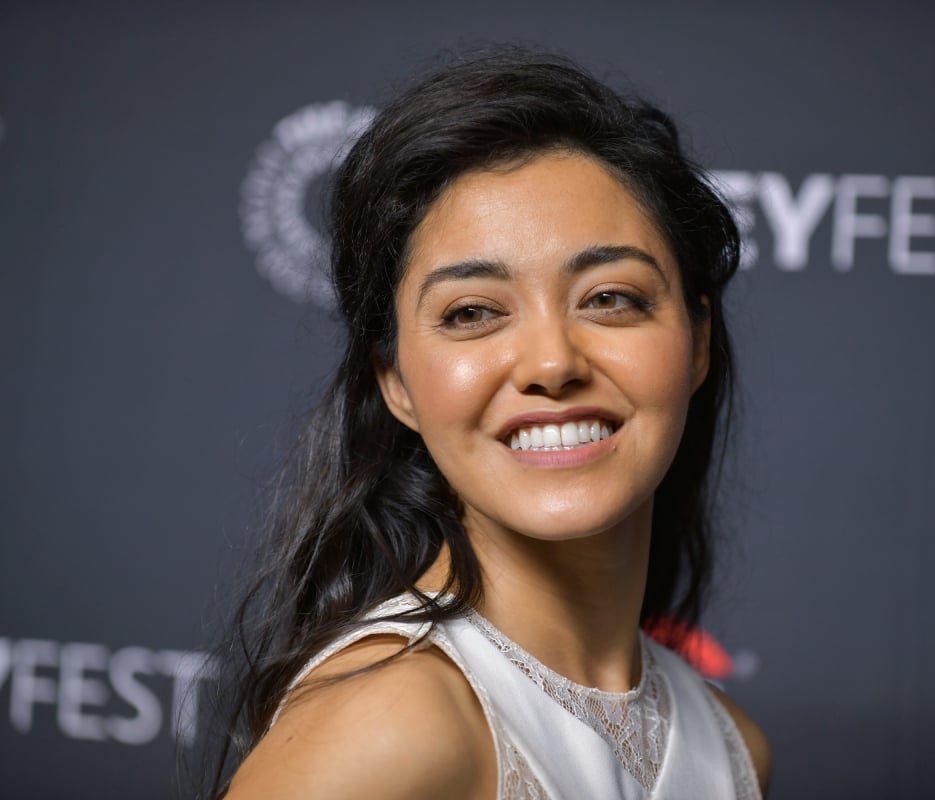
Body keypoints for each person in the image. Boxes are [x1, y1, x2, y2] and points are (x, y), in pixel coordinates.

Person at [214, 48, 771, 799]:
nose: (550, 362)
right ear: (397, 383)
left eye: (610, 298)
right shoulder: (389, 723)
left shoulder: (734, 748)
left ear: (697, 342)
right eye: (472, 312)